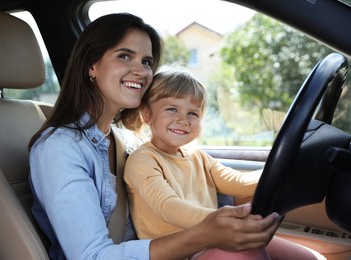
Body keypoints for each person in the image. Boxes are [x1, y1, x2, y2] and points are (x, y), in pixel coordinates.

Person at [29, 12, 283, 260]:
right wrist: (205, 234)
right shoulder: (59, 148)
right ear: (91, 65)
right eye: (125, 56)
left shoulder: (126, 140)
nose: (140, 71)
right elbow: (93, 256)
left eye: (147, 62)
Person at [124, 68, 325, 259]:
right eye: (172, 109)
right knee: (250, 253)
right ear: (147, 115)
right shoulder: (143, 160)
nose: (183, 120)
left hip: (214, 240)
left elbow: (237, 181)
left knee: (310, 257)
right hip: (181, 252)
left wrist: (284, 169)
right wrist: (224, 221)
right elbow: (169, 207)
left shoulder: (197, 156)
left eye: (193, 113)